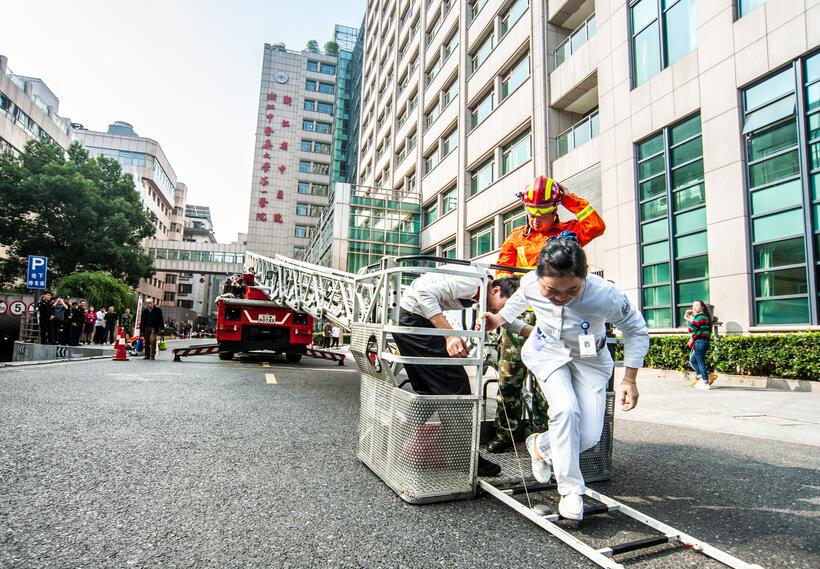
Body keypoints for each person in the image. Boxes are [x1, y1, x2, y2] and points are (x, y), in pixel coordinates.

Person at [483, 233, 648, 520]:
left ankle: (540, 446)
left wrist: (630, 379)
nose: (560, 297)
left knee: (589, 436)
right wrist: (498, 319)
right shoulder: (530, 283)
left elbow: (636, 330)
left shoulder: (606, 295)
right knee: (565, 410)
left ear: (585, 276)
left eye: (571, 290)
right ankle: (571, 491)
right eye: (551, 291)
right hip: (547, 352)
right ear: (539, 278)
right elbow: (517, 302)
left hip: (589, 360)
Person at [488, 175, 607, 454]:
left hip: (553, 319)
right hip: (519, 317)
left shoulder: (568, 233)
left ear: (554, 210)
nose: (535, 220)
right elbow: (503, 273)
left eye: (541, 214)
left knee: (549, 382)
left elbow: (596, 225)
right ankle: (507, 434)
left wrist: (568, 198)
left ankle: (544, 439)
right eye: (531, 213)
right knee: (509, 378)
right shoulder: (516, 237)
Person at [392, 264, 529, 477]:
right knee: (456, 386)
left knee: (429, 391)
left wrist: (538, 333)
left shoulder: (481, 290)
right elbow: (423, 293)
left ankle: (396, 441)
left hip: (411, 321)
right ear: (496, 290)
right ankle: (464, 457)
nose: (504, 313)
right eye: (507, 306)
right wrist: (450, 335)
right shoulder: (474, 281)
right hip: (414, 321)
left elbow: (506, 321)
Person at [685, 300, 715, 390]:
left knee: (701, 363)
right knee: (693, 361)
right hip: (703, 342)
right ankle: (701, 378)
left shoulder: (699, 317)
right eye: (693, 305)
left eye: (697, 305)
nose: (695, 307)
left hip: (699, 342)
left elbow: (691, 329)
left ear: (702, 307)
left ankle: (705, 382)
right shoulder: (704, 317)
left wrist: (692, 319)